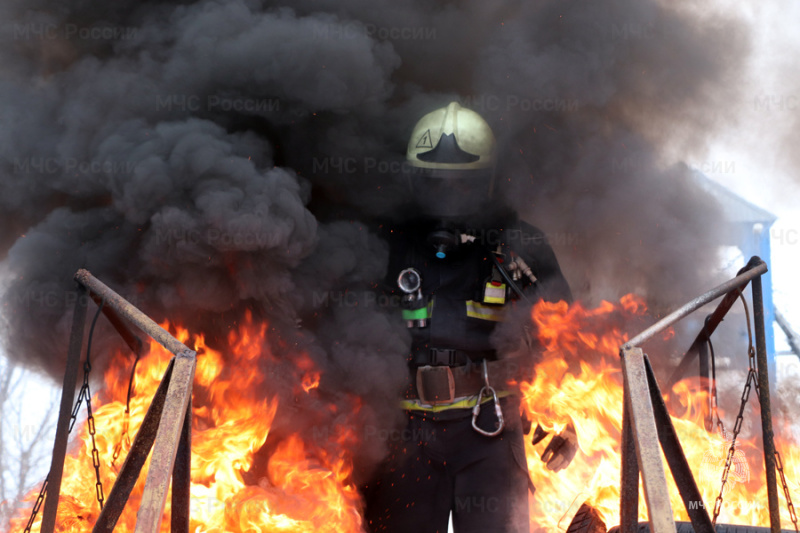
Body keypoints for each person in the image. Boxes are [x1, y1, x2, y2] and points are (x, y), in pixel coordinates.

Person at [363, 102, 576, 533]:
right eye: (435, 183)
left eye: (461, 185)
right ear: (413, 180)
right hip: (402, 438)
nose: (448, 197)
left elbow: (563, 337)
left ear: (487, 182)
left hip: (490, 435)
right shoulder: (380, 245)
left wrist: (558, 418)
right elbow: (337, 345)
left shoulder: (520, 246)